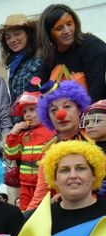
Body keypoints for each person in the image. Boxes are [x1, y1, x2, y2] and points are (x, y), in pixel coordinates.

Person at [27, 80, 92, 209]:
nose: (60, 114)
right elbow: (41, 194)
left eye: (67, 107)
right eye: (53, 110)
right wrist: (23, 218)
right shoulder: (50, 150)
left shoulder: (95, 138)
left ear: (79, 109)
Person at [37, 4, 106, 103]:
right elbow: (38, 90)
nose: (67, 31)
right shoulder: (49, 55)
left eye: (69, 24)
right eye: (59, 28)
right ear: (48, 34)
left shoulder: (93, 46)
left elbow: (97, 91)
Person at [4, 91, 56, 209]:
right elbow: (11, 154)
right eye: (24, 112)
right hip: (25, 185)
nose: (27, 114)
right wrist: (13, 134)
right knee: (25, 212)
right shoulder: (23, 134)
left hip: (45, 185)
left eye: (32, 109)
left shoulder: (51, 130)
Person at [0, 14, 44, 111]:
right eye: (8, 37)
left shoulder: (40, 58)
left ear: (28, 34)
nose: (12, 40)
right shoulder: (13, 66)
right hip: (20, 119)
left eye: (17, 34)